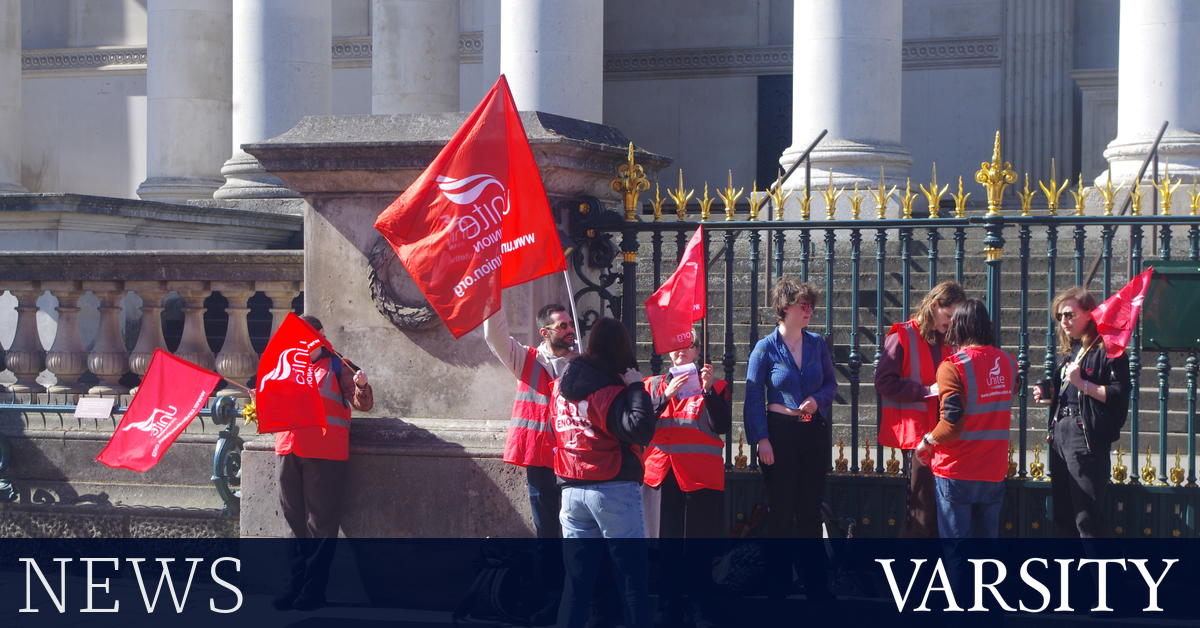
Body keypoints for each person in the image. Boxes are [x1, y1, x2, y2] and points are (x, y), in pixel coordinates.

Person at [551, 317, 656, 628]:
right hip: (611, 486)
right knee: (632, 580)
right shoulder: (607, 389)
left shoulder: (560, 387)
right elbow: (639, 429)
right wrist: (636, 386)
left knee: (577, 583)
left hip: (571, 487)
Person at [744, 278, 837, 601]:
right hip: (779, 431)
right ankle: (778, 585)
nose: (809, 311)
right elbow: (753, 396)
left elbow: (830, 385)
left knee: (809, 511)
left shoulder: (817, 344)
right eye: (803, 305)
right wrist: (761, 439)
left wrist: (818, 400)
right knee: (781, 512)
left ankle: (815, 586)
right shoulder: (765, 348)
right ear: (785, 309)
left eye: (810, 305)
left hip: (811, 429)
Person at [273, 314, 373, 611]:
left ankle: (313, 590)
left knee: (320, 524)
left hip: (324, 452)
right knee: (293, 524)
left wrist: (362, 386)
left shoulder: (336, 365)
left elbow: (363, 404)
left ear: (319, 335)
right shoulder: (287, 365)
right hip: (288, 447)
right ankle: (295, 586)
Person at [642, 330, 731, 625]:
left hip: (700, 479)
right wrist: (665, 397)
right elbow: (640, 425)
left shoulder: (716, 384)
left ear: (697, 351)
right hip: (662, 475)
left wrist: (707, 391)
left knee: (698, 550)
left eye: (688, 345)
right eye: (675, 345)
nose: (681, 350)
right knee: (666, 550)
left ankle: (699, 606)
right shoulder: (651, 385)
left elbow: (721, 425)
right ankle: (669, 608)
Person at [1035, 287, 1129, 538]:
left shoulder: (1108, 349)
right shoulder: (1071, 350)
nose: (1063, 321)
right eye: (1059, 317)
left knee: (1086, 517)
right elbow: (1068, 387)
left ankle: (1098, 575)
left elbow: (1118, 393)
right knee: (1063, 514)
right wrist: (1050, 393)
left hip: (1084, 435)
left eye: (1069, 315)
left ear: (1089, 313)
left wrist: (1082, 384)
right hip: (1060, 433)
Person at [915, 300, 1014, 539]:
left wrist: (927, 440)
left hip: (957, 468)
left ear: (958, 327)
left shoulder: (953, 366)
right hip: (993, 467)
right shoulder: (1009, 363)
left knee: (957, 551)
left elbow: (951, 422)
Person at [875, 281, 966, 538]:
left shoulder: (951, 337)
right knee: (923, 510)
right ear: (935, 306)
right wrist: (926, 390)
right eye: (949, 316)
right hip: (919, 435)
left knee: (942, 509)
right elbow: (883, 382)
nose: (951, 322)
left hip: (946, 432)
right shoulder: (902, 334)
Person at [482, 303, 578, 538]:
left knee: (576, 532)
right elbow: (494, 336)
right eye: (562, 325)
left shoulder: (583, 362)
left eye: (571, 325)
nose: (570, 330)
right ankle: (548, 575)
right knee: (546, 532)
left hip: (575, 457)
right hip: (541, 460)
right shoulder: (526, 359)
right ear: (545, 333)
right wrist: (490, 296)